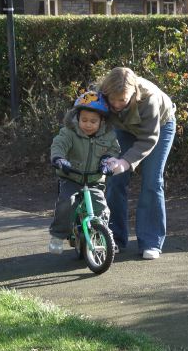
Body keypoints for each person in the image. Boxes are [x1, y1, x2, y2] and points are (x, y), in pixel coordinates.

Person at [99, 67, 176, 260]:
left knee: (152, 181)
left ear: (133, 93)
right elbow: (82, 117)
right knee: (115, 179)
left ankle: (151, 241)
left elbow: (148, 138)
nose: (116, 105)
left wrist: (126, 161)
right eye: (112, 100)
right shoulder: (100, 93)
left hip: (160, 127)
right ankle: (114, 238)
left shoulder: (148, 98)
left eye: (122, 100)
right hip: (124, 129)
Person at [48, 91, 120, 254]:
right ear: (77, 118)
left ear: (102, 121)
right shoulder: (69, 133)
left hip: (94, 179)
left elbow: (114, 150)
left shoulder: (108, 136)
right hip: (71, 177)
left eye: (93, 121)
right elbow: (58, 145)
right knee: (67, 202)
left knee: (101, 208)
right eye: (84, 120)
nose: (88, 124)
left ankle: (103, 236)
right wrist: (59, 159)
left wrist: (107, 161)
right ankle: (58, 236)